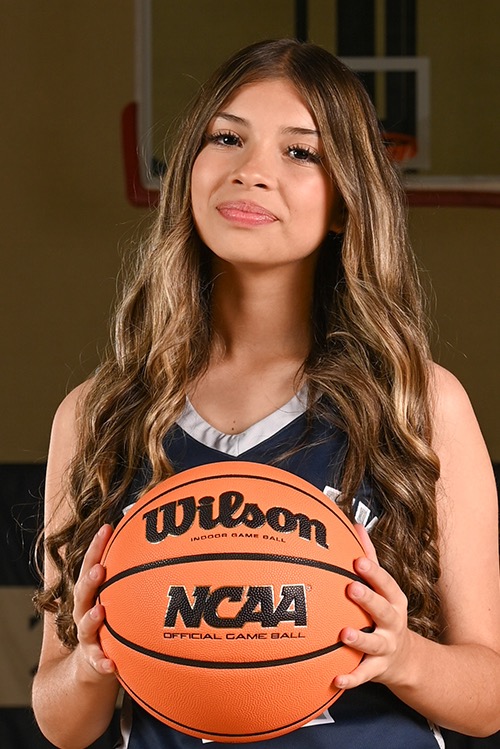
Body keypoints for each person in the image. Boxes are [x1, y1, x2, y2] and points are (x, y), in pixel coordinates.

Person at [32, 38, 500, 749]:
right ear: (189, 168)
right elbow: (61, 719)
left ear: (344, 202)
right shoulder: (98, 412)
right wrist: (93, 662)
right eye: (227, 138)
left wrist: (403, 655)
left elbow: (489, 697)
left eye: (300, 152)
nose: (251, 171)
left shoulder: (417, 401)